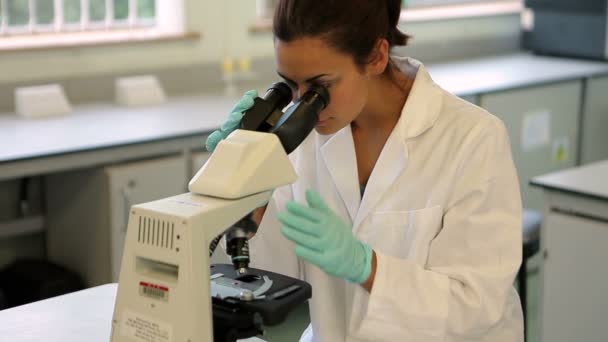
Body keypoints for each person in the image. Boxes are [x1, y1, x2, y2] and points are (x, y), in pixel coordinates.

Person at [206, 0, 524, 341]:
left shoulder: (473, 138)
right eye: (290, 85)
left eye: (318, 88)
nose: (301, 102)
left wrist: (368, 267)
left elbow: (475, 305)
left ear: (376, 56)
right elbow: (271, 277)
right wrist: (249, 189)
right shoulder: (304, 138)